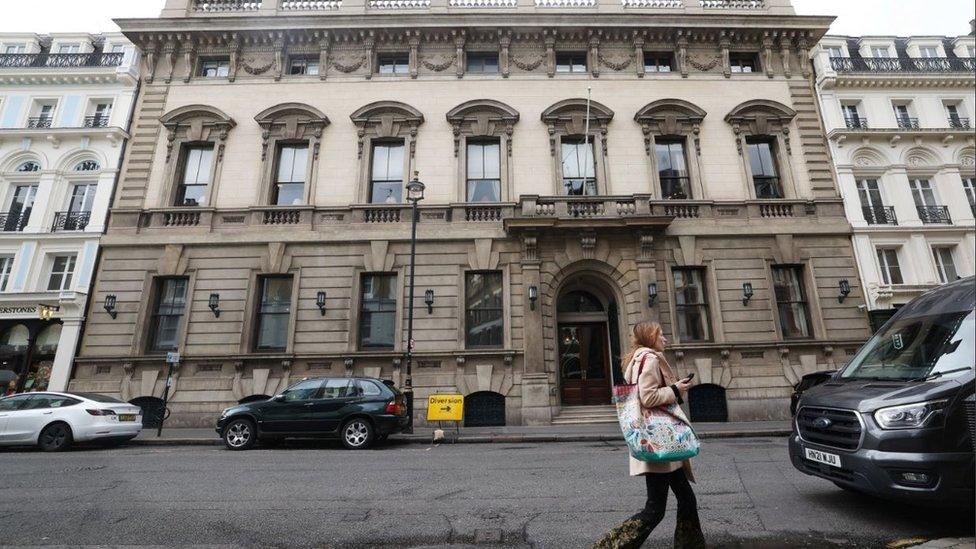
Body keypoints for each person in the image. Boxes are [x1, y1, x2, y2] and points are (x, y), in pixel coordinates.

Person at [593, 321, 707, 549]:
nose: (665, 339)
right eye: (661, 335)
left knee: (686, 499)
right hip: (660, 441)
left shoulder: (636, 359)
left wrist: (675, 387)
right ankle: (609, 546)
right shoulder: (651, 358)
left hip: (660, 442)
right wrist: (676, 390)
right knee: (655, 510)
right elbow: (648, 398)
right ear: (650, 337)